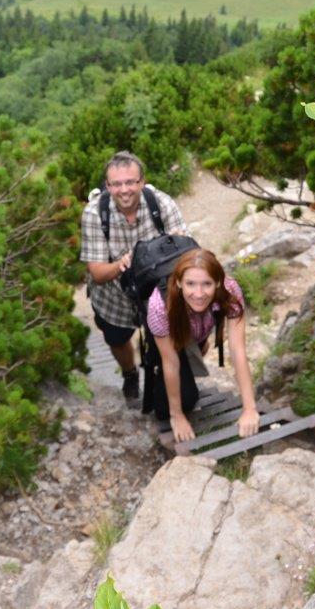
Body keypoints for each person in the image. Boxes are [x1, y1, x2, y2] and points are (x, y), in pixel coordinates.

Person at [80, 151, 186, 404]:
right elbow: (96, 271)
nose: (124, 190)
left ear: (141, 181)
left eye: (130, 182)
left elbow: (185, 250)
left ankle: (169, 382)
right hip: (113, 297)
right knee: (117, 339)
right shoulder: (95, 214)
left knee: (172, 334)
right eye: (116, 184)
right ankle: (129, 374)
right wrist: (122, 264)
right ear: (107, 186)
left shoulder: (161, 203)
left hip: (156, 293)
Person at [147, 248, 259, 443]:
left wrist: (250, 409)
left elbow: (238, 350)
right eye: (190, 284)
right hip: (168, 328)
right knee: (179, 402)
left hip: (196, 329)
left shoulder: (230, 291)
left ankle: (192, 352)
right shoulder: (159, 305)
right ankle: (155, 379)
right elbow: (171, 362)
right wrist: (177, 415)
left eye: (206, 284)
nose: (198, 294)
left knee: (189, 371)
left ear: (217, 283)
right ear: (179, 283)